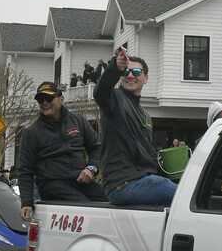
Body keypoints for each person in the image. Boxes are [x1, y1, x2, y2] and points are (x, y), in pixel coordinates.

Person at [94, 49, 176, 206]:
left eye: (136, 72)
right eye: (126, 71)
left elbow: (148, 155)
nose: (130, 75)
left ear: (145, 78)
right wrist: (115, 68)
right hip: (123, 184)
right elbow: (100, 93)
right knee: (185, 197)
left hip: (144, 181)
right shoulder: (114, 99)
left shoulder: (146, 116)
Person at [17, 82, 105, 221]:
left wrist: (91, 168)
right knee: (89, 212)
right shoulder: (31, 132)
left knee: (109, 204)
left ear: (61, 99)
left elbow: (97, 148)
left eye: (49, 98)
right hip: (52, 184)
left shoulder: (78, 120)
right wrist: (26, 202)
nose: (44, 103)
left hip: (80, 181)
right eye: (40, 100)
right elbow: (25, 170)